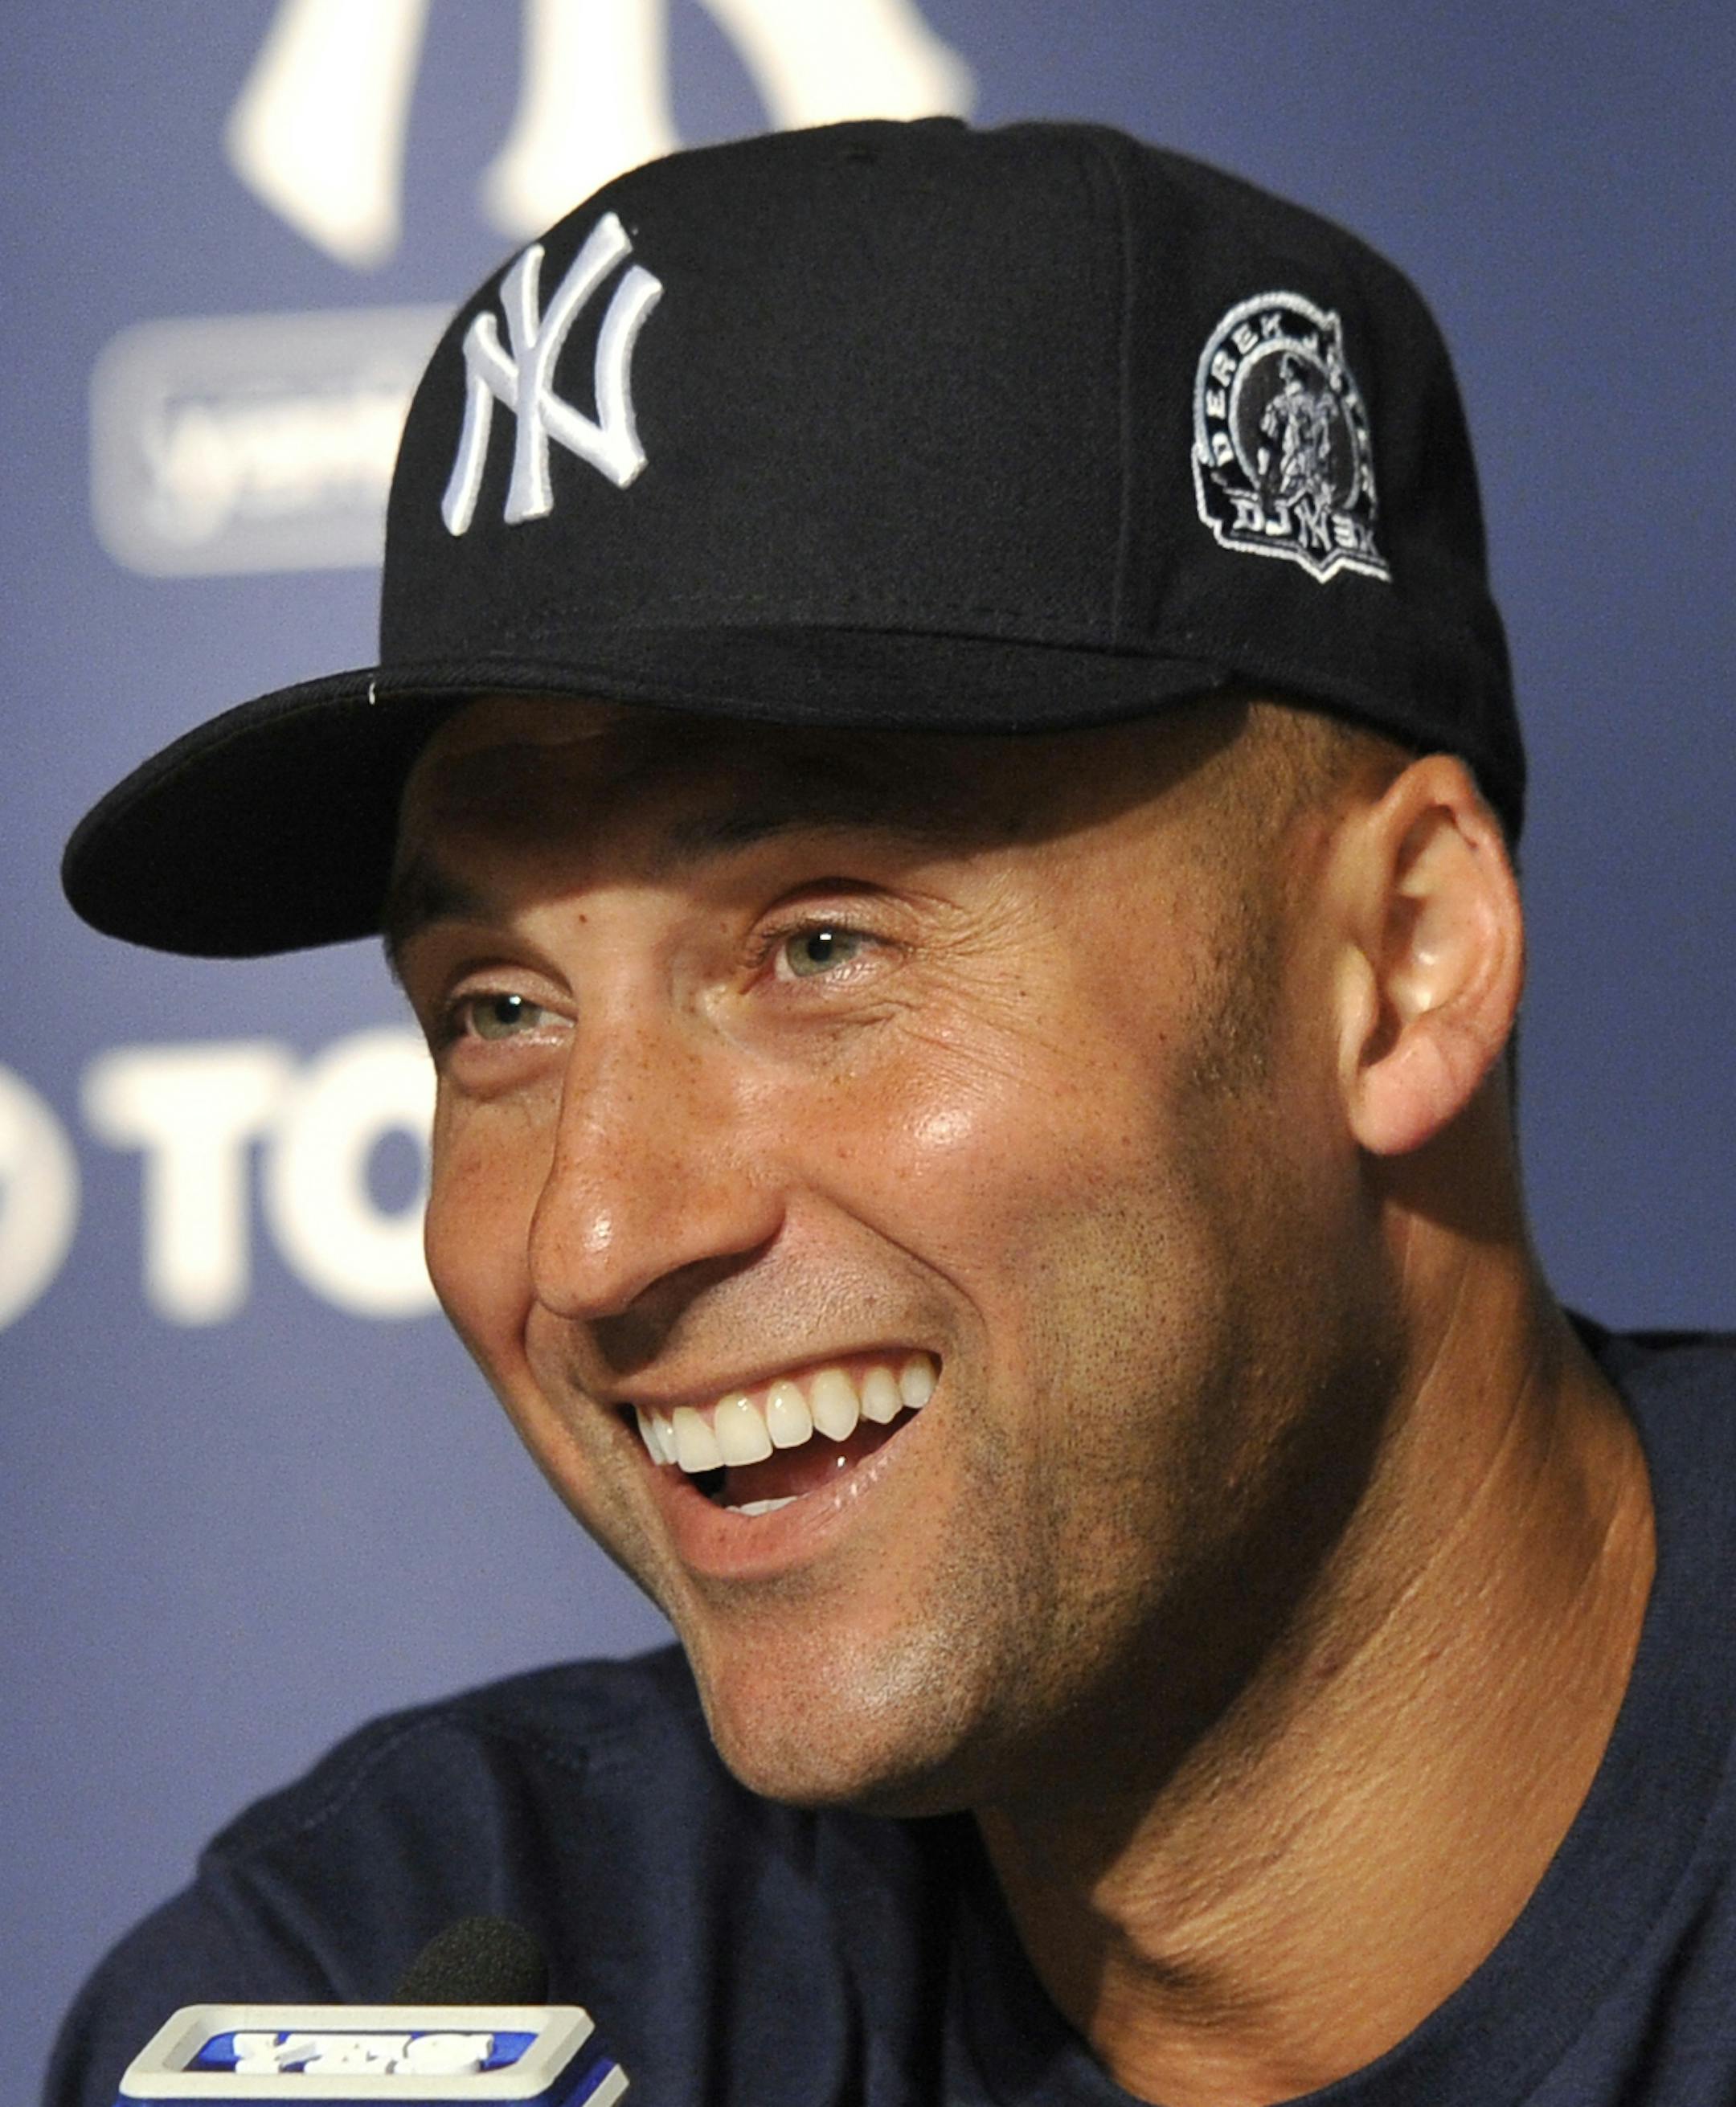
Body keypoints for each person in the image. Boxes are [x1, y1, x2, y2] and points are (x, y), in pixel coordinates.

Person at [49, 119, 1735, 2107]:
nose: (592, 1240)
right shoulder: (401, 1985)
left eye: (819, 948)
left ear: (1403, 960)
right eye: (497, 1008)